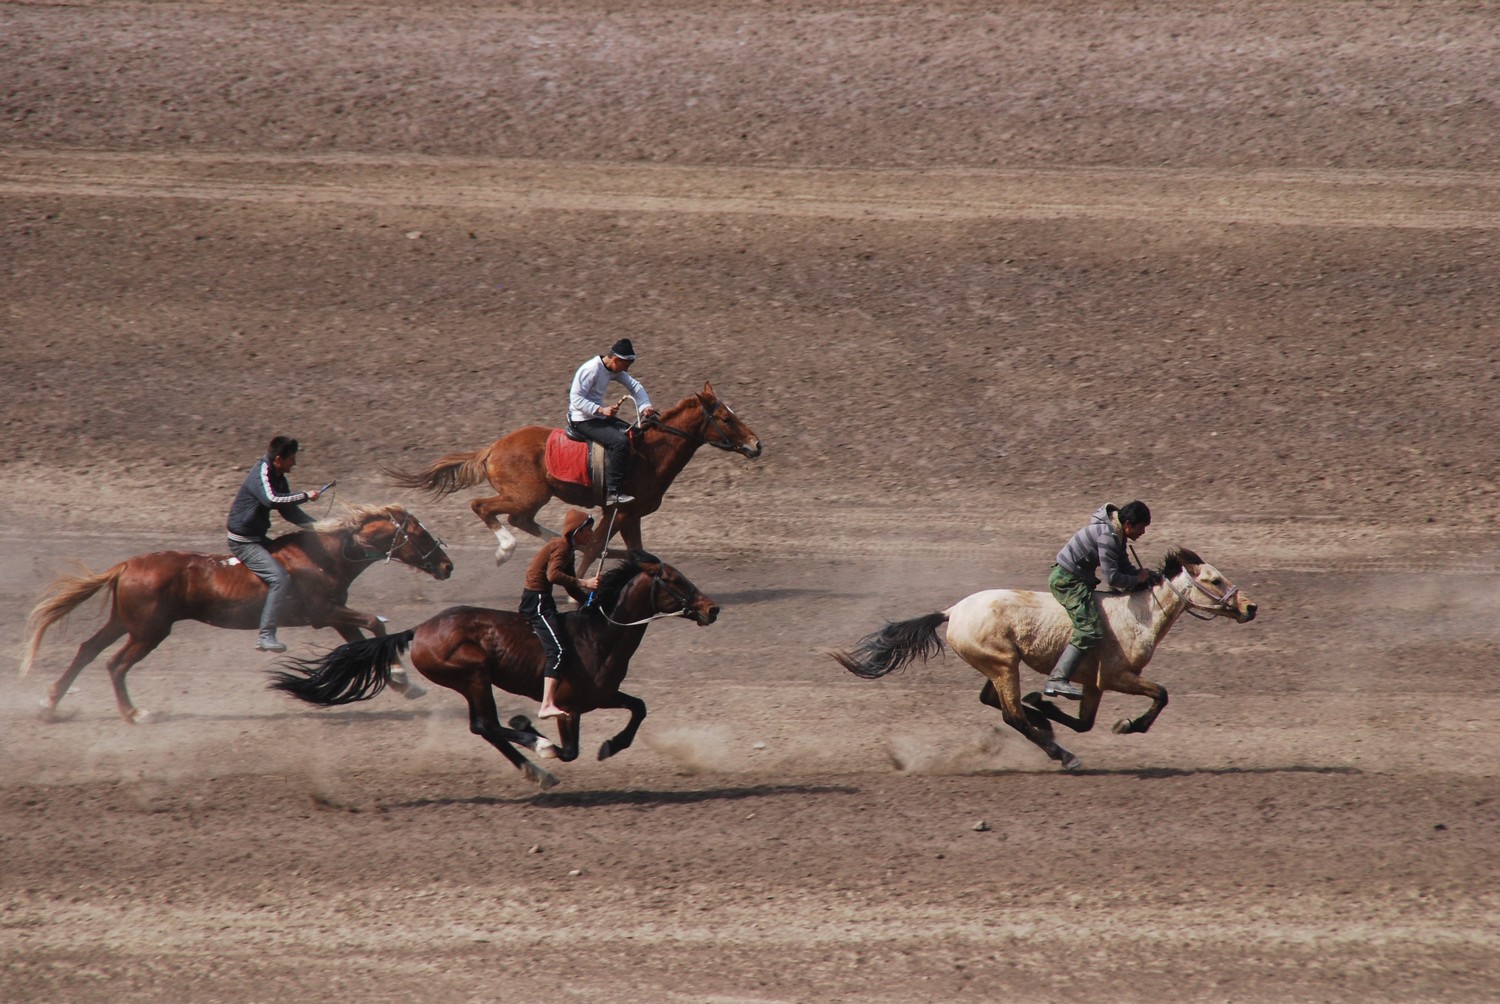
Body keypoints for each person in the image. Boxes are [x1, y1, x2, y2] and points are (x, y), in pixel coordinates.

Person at [1043, 500, 1161, 700]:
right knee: (1089, 629)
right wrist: (1137, 579)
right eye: (1142, 527)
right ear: (1129, 524)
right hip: (1068, 580)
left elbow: (1123, 567)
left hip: (1080, 578)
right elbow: (1113, 578)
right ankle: (1058, 679)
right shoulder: (1108, 536)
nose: (1143, 533)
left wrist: (1145, 576)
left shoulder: (1118, 535)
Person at [226, 436, 324, 653]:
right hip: (244, 542)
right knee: (280, 578)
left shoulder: (278, 475)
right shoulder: (261, 474)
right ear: (279, 459)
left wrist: (320, 527)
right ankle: (265, 635)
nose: (294, 463)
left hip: (258, 538)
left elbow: (289, 511)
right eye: (291, 459)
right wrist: (305, 495)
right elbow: (272, 500)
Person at [521, 509, 600, 719]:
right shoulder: (562, 546)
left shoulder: (569, 550)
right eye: (589, 530)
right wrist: (585, 582)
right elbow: (553, 575)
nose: (591, 535)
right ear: (577, 531)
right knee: (558, 650)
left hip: (543, 599)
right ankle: (547, 704)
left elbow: (571, 586)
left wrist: (591, 601)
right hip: (536, 601)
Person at [567, 338, 658, 506]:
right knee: (620, 442)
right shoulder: (591, 369)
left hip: (597, 417)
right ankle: (613, 492)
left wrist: (645, 406)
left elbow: (635, 386)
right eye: (625, 365)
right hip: (583, 420)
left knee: (636, 434)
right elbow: (575, 398)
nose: (626, 369)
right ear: (616, 359)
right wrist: (601, 410)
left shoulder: (612, 368)